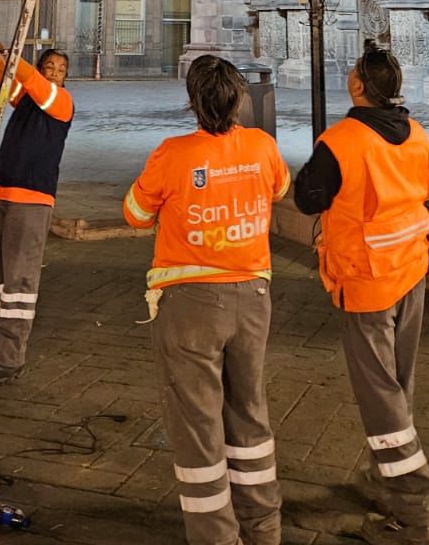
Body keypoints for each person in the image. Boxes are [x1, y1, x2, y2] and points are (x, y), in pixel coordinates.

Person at [123, 55, 291, 545]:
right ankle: (264, 528)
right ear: (239, 99)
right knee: (249, 411)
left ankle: (217, 537)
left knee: (198, 424)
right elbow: (280, 188)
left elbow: (135, 213)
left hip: (190, 304)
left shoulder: (171, 154)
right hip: (253, 298)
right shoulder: (261, 146)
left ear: (193, 102)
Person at [292, 45, 429, 545]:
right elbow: (423, 189)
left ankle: (414, 513)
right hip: (412, 267)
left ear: (358, 86)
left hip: (368, 279)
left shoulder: (342, 141)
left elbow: (307, 196)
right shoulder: (416, 132)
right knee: (398, 383)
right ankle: (386, 479)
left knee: (380, 394)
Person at [0, 41, 74, 386]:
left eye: (60, 71)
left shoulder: (61, 102)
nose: (53, 73)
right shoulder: (26, 99)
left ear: (65, 80)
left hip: (32, 199)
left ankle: (10, 358)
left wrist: (10, 58)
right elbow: (9, 83)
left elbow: (28, 81)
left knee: (18, 283)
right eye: (49, 67)